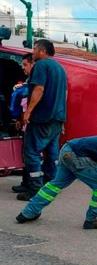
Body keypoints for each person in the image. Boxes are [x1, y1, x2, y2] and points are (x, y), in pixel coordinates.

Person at [16, 136, 97, 229]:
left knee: (55, 184)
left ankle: (28, 213)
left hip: (67, 150)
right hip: (76, 156)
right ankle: (92, 220)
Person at [17, 39, 67, 201]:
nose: (33, 52)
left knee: (31, 152)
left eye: (35, 49)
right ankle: (51, 186)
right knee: (51, 154)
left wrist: (28, 112)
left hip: (42, 118)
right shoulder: (60, 68)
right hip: (57, 118)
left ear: (43, 51)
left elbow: (38, 88)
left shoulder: (41, 65)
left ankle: (35, 189)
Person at [9, 53, 34, 194]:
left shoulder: (32, 85)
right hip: (27, 124)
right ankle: (26, 182)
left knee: (30, 154)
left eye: (25, 65)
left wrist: (20, 118)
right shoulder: (28, 83)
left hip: (31, 124)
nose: (23, 68)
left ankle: (31, 185)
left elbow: (27, 104)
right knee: (27, 154)